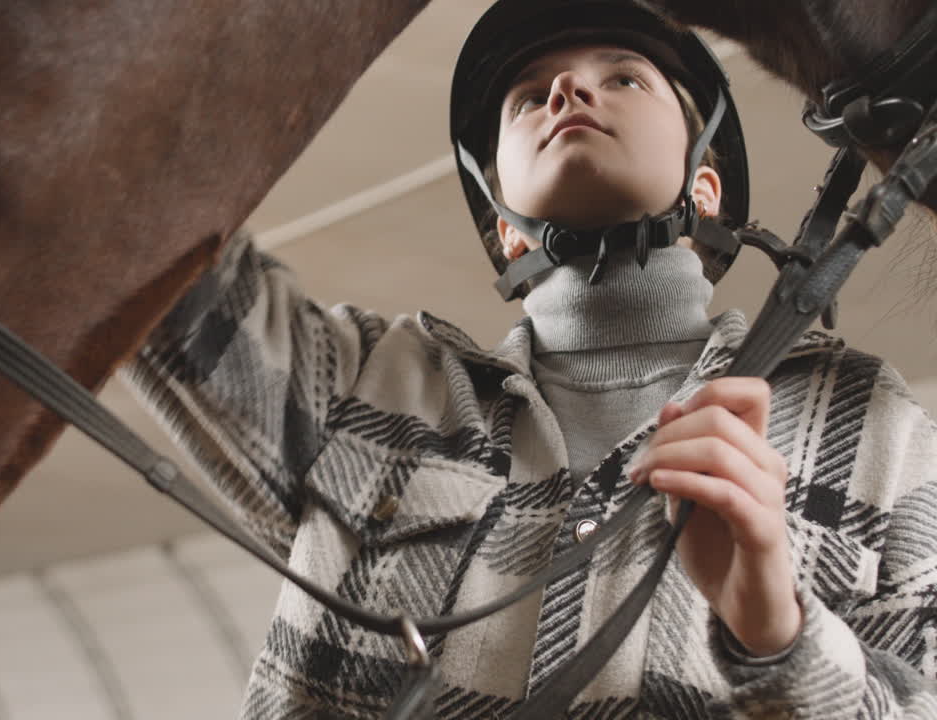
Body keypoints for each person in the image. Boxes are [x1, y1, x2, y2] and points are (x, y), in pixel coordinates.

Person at [121, 0, 937, 716]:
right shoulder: (360, 384)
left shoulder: (873, 427)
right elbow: (125, 221)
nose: (566, 92)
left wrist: (777, 637)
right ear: (505, 226)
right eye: (525, 99)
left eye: (624, 77)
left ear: (708, 190)